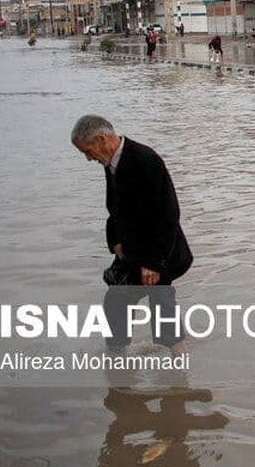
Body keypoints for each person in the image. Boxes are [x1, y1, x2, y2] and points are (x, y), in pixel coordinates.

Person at [70, 115, 193, 353]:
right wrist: (114, 240)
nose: (88, 158)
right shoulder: (111, 162)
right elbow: (113, 208)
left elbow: (168, 215)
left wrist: (153, 264)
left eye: (88, 151)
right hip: (132, 250)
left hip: (159, 253)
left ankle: (180, 374)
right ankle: (117, 362)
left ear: (102, 139)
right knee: (116, 303)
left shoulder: (146, 160)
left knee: (163, 310)